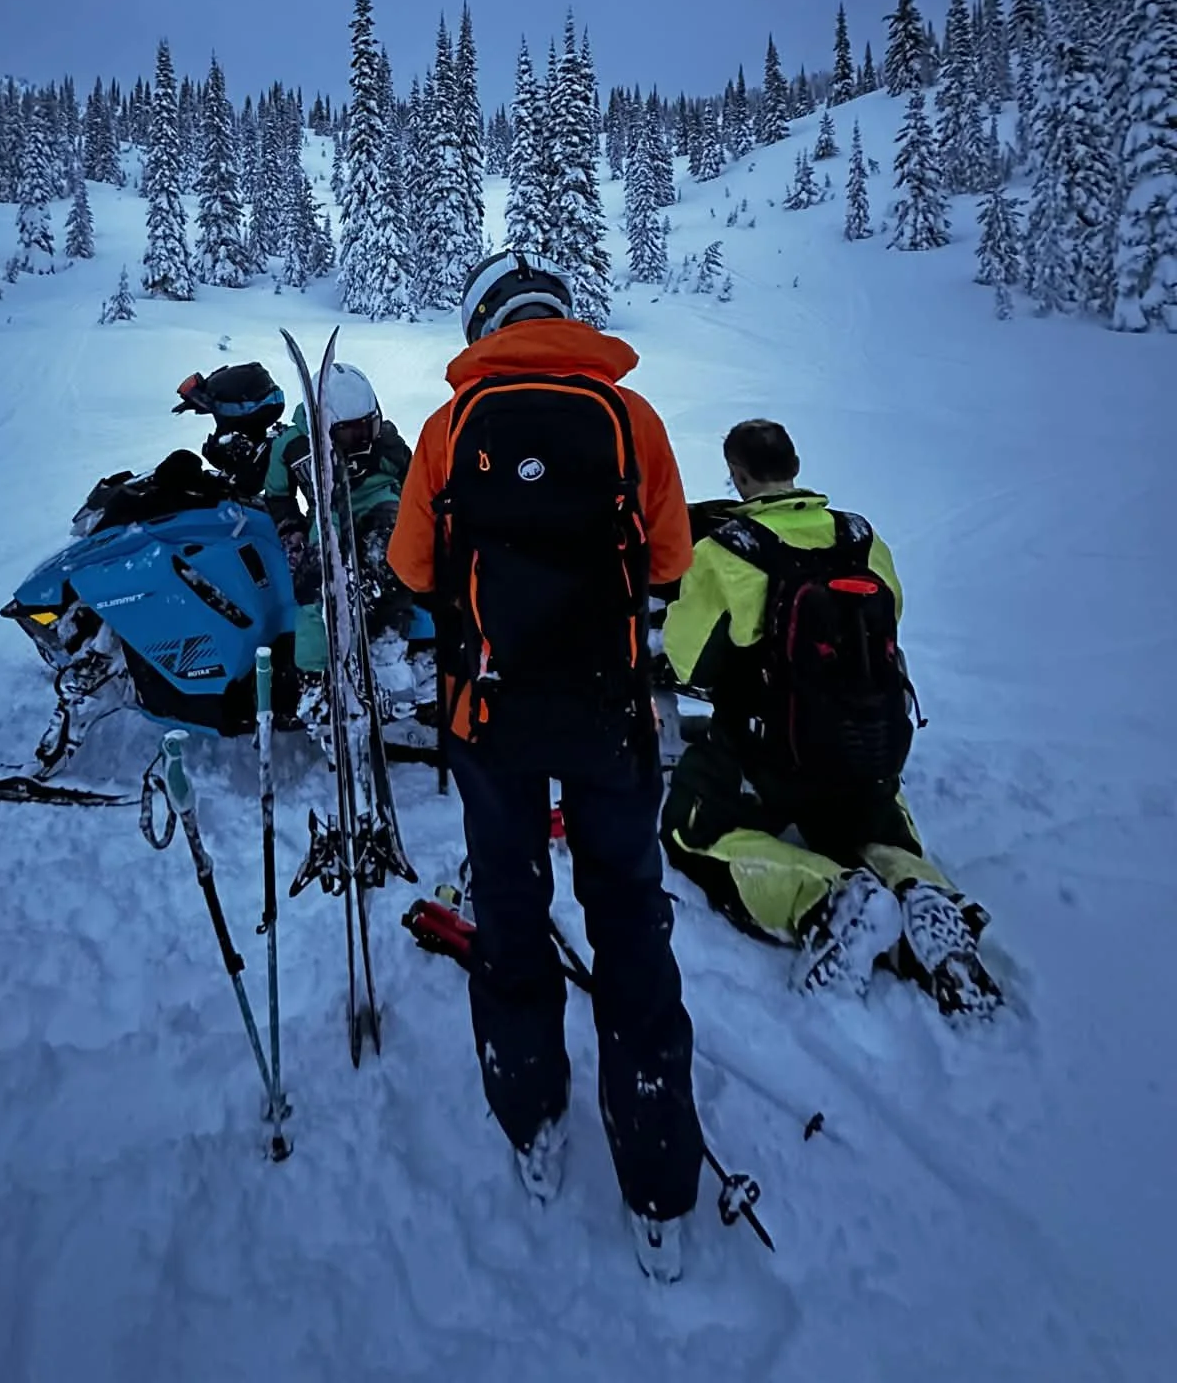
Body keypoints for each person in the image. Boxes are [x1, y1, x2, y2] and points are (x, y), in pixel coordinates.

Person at [388, 250, 704, 1283]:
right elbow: (669, 561)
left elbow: (410, 568)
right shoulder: (630, 418)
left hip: (489, 717)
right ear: (563, 316)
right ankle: (657, 1177)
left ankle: (532, 1115)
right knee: (628, 916)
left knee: (513, 915)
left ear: (484, 322)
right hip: (613, 720)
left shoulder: (448, 428)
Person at [661, 419, 1000, 1017]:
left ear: (738, 476)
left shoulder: (728, 551)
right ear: (794, 464)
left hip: (770, 757)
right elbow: (888, 620)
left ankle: (828, 898)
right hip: (867, 748)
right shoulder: (860, 537)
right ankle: (921, 890)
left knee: (693, 830)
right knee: (875, 828)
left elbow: (690, 660)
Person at [264, 361, 415, 676]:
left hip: (380, 500)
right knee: (315, 576)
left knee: (389, 555)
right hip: (326, 508)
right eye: (350, 432)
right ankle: (316, 670)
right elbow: (278, 494)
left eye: (368, 427)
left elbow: (414, 480)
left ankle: (386, 646)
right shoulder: (293, 445)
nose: (363, 439)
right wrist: (290, 528)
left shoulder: (385, 441)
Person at [171, 363, 288, 500]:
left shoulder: (217, 395)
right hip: (263, 408)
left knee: (225, 449)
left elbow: (230, 419)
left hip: (259, 410)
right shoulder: (219, 386)